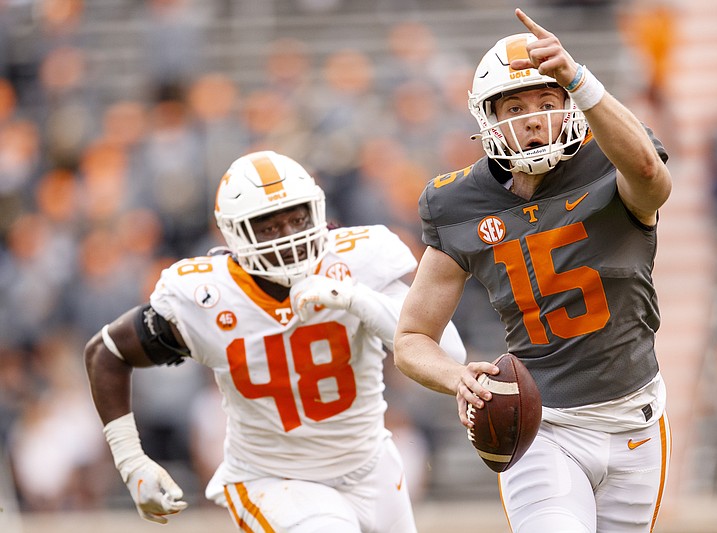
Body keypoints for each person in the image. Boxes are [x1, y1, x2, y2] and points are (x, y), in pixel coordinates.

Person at [84, 150, 467, 532]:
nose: (288, 238)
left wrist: (355, 299)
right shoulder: (206, 296)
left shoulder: (358, 260)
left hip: (371, 463)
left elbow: (448, 354)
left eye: (297, 219)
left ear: (316, 211)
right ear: (235, 232)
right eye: (268, 228)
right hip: (274, 478)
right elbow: (106, 352)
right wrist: (131, 461)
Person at [394, 8, 672, 533]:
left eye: (548, 101)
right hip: (543, 427)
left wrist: (578, 76)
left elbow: (650, 176)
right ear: (488, 116)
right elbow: (411, 338)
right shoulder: (458, 202)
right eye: (516, 106)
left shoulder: (613, 158)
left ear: (571, 105)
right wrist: (458, 377)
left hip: (636, 420)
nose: (534, 117)